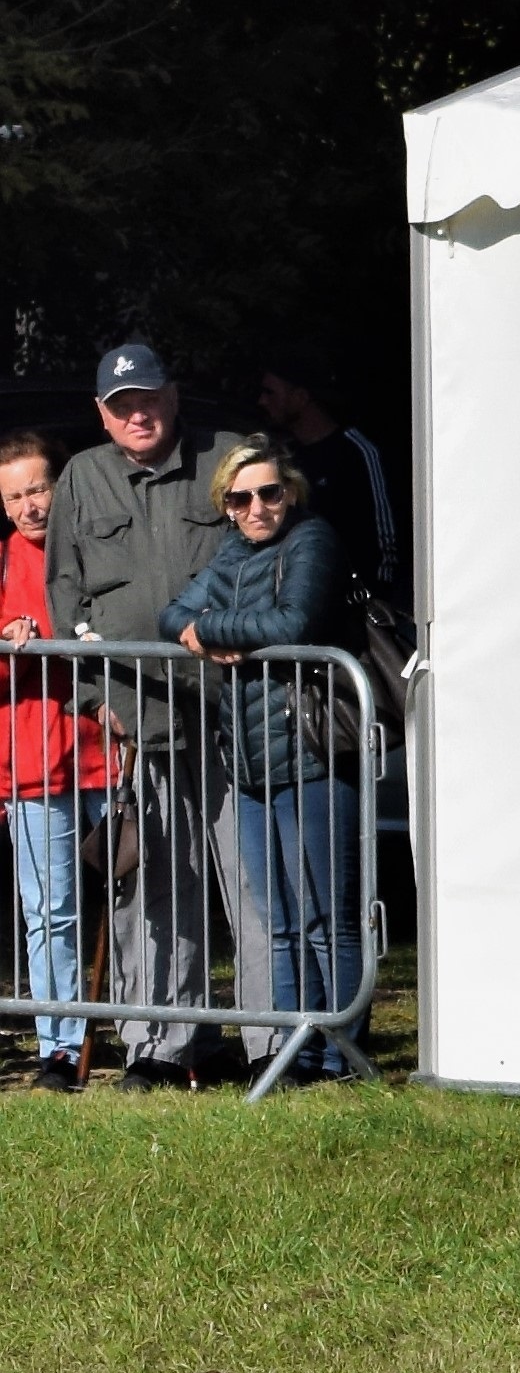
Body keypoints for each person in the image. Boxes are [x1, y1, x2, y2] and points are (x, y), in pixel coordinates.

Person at [44, 341, 246, 1086]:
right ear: (102, 413)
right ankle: (157, 1047)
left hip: (233, 717)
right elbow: (66, 600)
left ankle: (265, 1048)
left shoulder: (227, 458)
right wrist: (98, 700)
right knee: (150, 890)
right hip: (137, 721)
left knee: (247, 885)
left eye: (150, 397)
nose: (139, 413)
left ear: (174, 396)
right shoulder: (82, 479)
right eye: (122, 404)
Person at [161, 438, 360, 1085]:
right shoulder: (232, 553)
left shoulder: (312, 540)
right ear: (225, 505)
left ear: (290, 492)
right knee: (279, 923)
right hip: (246, 761)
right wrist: (206, 627)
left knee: (328, 915)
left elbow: (294, 621)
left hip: (311, 749)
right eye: (240, 498)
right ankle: (295, 1056)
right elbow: (173, 615)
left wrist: (214, 629)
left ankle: (340, 1055)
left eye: (270, 493)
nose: (257, 508)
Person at [2, 427, 119, 1087]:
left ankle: (153, 1034)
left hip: (109, 755)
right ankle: (59, 1046)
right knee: (51, 913)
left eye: (39, 488)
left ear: (61, 484)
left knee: (139, 902)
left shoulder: (94, 550)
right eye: (15, 497)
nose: (30, 507)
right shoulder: (1, 564)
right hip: (33, 768)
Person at [255, 348, 405, 601]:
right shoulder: (285, 458)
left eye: (271, 392)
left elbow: (387, 542)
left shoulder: (357, 452)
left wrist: (374, 599)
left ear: (301, 396)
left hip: (355, 610)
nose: (262, 401)